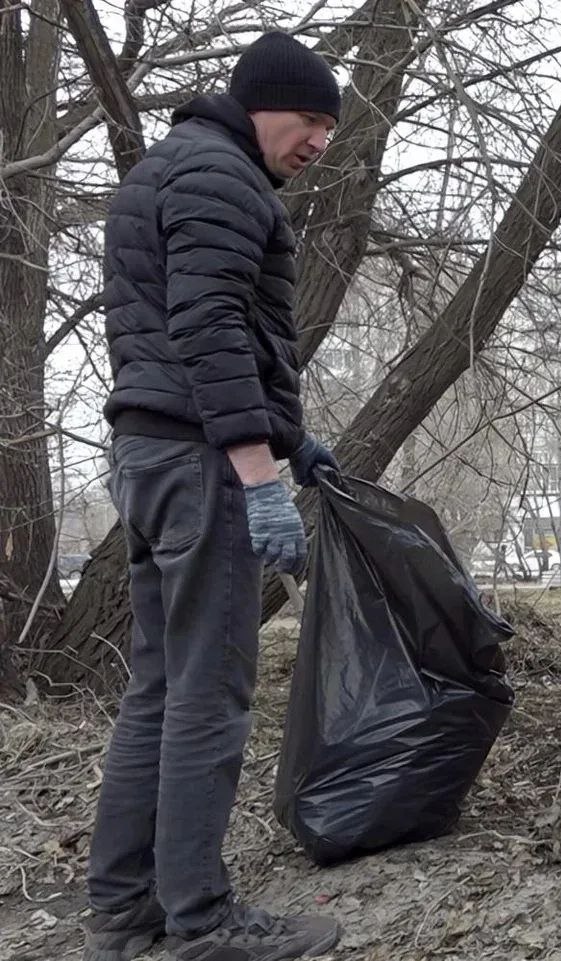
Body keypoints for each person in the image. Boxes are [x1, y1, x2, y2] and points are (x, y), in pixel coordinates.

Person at [85, 32, 343, 961]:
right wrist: (258, 471)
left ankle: (123, 911)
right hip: (201, 464)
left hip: (150, 454)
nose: (319, 142)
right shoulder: (224, 178)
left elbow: (175, 333)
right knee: (209, 693)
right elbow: (208, 328)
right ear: (261, 104)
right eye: (309, 119)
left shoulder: (171, 168)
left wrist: (292, 438)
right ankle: (201, 918)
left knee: (159, 688)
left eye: (329, 128)